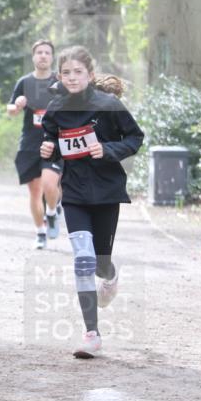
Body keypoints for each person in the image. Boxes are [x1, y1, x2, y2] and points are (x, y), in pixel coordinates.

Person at [40, 46, 144, 359]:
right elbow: (53, 141)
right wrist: (49, 150)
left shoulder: (109, 104)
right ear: (60, 76)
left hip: (107, 191)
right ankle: (92, 334)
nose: (72, 77)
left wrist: (108, 150)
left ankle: (110, 278)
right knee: (83, 259)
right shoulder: (56, 109)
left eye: (78, 72)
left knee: (100, 262)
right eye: (67, 73)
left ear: (90, 75)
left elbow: (135, 138)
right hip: (74, 193)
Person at [7, 40, 63, 249]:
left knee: (50, 184)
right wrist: (17, 105)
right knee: (34, 191)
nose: (43, 56)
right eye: (39, 52)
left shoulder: (59, 82)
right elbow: (10, 110)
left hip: (54, 141)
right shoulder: (24, 82)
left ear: (52, 57)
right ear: (33, 57)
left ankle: (51, 212)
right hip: (30, 142)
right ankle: (40, 232)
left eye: (47, 52)